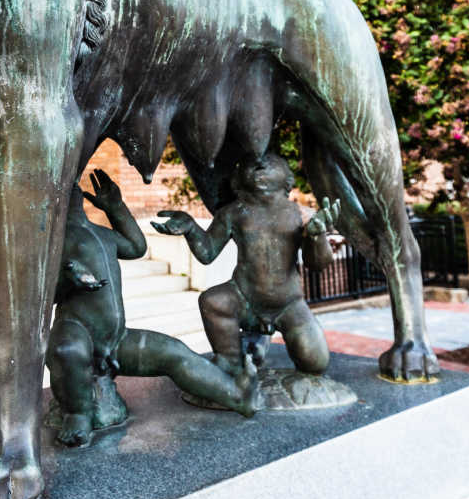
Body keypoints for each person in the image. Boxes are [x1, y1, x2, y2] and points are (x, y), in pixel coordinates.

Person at [46, 170, 258, 448]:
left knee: (173, 352)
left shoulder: (102, 234)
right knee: (67, 350)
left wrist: (116, 208)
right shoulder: (50, 244)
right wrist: (67, 281)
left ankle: (236, 395)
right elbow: (40, 295)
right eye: (65, 187)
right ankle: (78, 416)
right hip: (78, 333)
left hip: (116, 338)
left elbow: (136, 246)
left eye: (74, 187)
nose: (73, 191)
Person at [152, 152, 339, 376]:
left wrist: (317, 238)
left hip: (289, 304)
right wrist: (191, 228)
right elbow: (207, 253)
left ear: (287, 179)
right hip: (244, 298)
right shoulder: (233, 213)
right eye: (252, 165)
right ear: (240, 179)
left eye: (269, 162)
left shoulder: (302, 214)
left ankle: (256, 346)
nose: (260, 165)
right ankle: (230, 359)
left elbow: (317, 264)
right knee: (213, 301)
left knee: (315, 363)